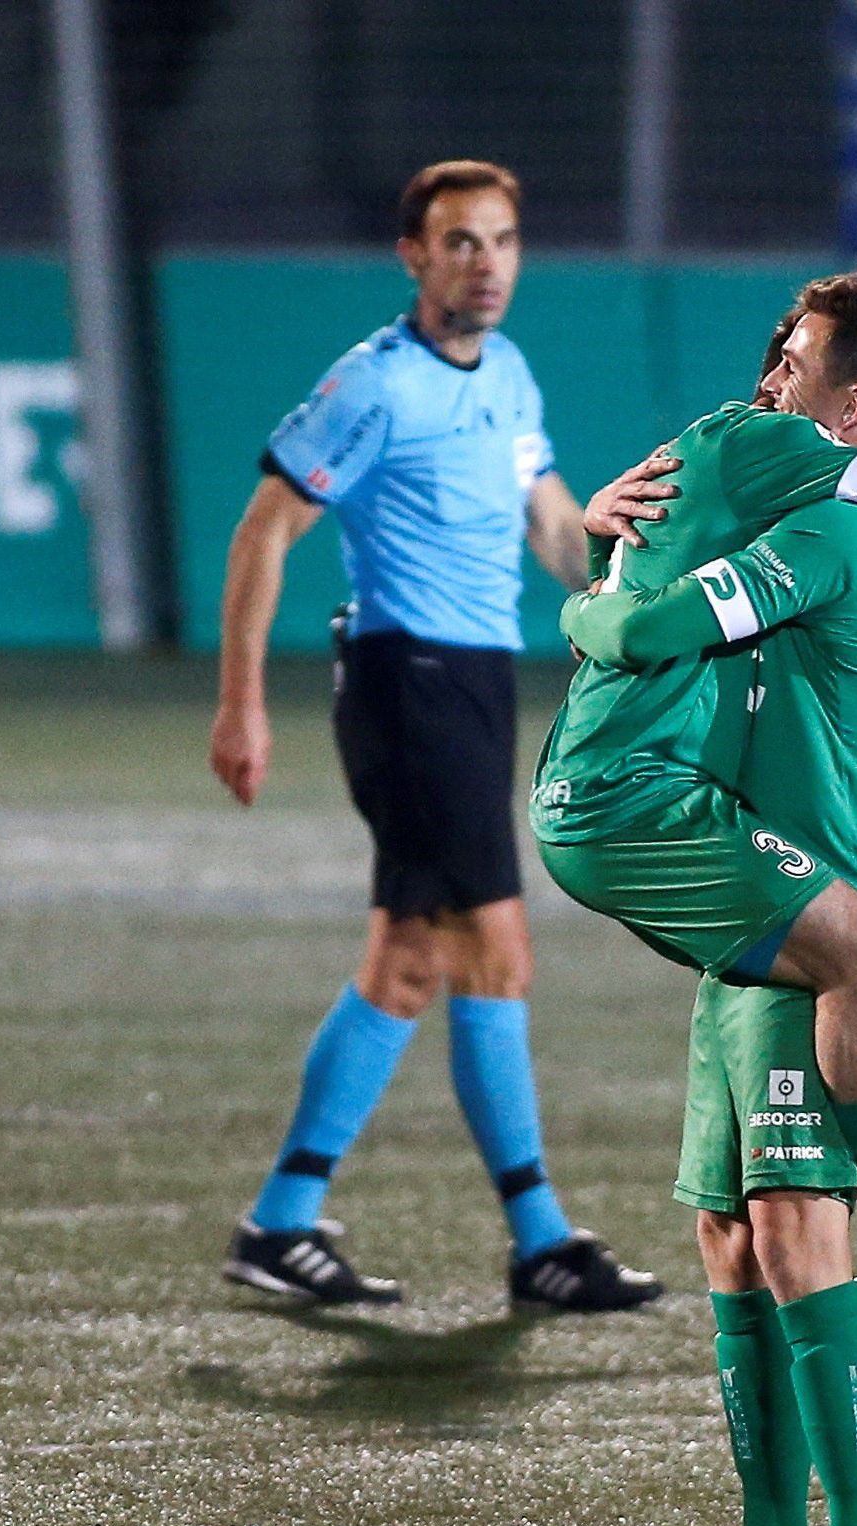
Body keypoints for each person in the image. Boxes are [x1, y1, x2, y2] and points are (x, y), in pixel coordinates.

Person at [540, 274, 857, 1526]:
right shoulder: (818, 508)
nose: (761, 378)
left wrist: (590, 614)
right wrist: (598, 537)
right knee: (727, 1235)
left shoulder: (843, 518)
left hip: (809, 894)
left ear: (845, 403)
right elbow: (684, 567)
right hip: (742, 887)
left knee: (798, 1232)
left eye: (788, 361)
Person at [207, 159, 660, 1311]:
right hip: (407, 686)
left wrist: (639, 597)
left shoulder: (506, 373)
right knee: (492, 952)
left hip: (470, 686)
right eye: (461, 242)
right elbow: (264, 532)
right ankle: (541, 1242)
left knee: (410, 961)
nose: (487, 263)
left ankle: (284, 1219)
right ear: (413, 256)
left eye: (503, 240)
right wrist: (240, 700)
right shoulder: (373, 386)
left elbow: (555, 531)